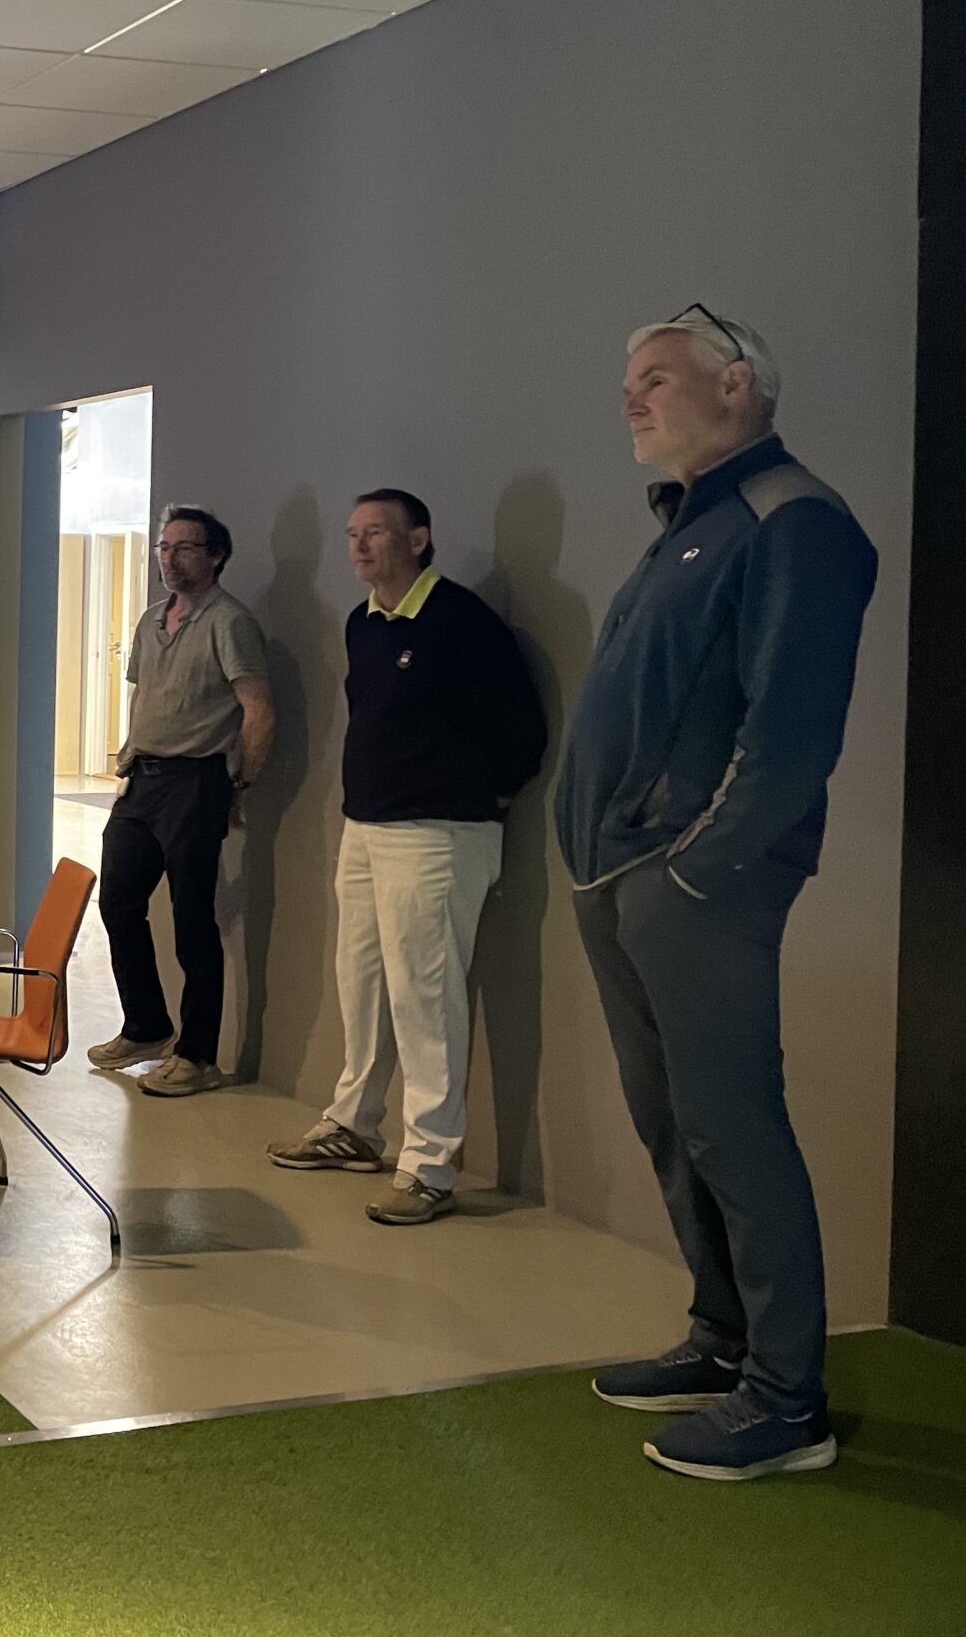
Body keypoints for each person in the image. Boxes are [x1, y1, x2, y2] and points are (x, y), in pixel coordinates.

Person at [559, 306, 875, 1482]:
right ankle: (723, 1337)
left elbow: (790, 735)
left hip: (691, 885)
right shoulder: (689, 525)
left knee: (733, 1129)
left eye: (656, 376)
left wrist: (693, 870)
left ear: (735, 384)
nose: (630, 397)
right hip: (621, 874)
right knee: (675, 1125)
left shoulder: (792, 519)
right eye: (628, 381)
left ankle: (786, 1401)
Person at [265, 490, 545, 1225]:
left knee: (427, 1000)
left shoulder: (460, 620)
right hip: (366, 829)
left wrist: (480, 798)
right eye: (352, 534)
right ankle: (355, 1125)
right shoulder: (364, 623)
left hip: (438, 835)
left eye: (376, 533)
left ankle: (429, 1167)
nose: (359, 547)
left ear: (418, 539)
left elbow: (522, 727)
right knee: (361, 985)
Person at [87, 506, 273, 1096]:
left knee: (193, 920)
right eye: (163, 547)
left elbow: (259, 710)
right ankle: (146, 1026)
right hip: (142, 780)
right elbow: (143, 695)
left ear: (215, 555)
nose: (169, 558)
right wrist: (125, 761)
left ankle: (198, 1056)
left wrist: (238, 785)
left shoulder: (230, 622)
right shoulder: (151, 620)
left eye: (184, 547)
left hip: (196, 782)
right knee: (117, 902)